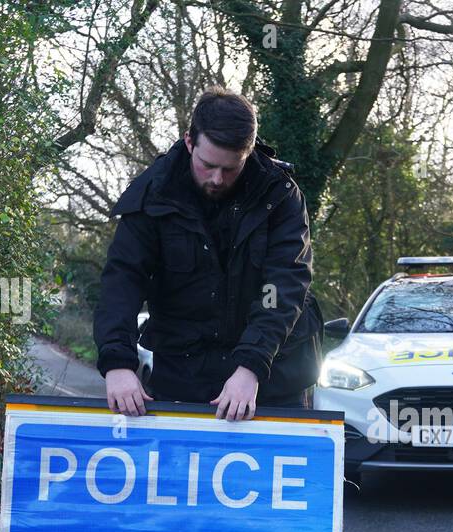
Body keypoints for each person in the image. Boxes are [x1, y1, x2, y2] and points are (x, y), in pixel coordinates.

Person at [93, 86, 321, 419]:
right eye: (208, 165)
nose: (216, 178)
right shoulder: (152, 194)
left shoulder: (280, 194)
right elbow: (122, 281)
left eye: (231, 169)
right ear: (189, 142)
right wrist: (117, 362)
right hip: (183, 376)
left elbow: (284, 286)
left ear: (248, 152)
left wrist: (251, 366)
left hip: (273, 379)